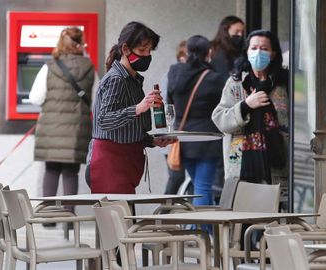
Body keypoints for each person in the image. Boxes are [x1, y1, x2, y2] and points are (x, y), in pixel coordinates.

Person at [88, 21, 175, 194]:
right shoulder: (116, 79)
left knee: (123, 217)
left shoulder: (133, 80)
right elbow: (104, 120)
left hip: (125, 160)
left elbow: (126, 129)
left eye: (150, 50)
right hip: (110, 162)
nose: (147, 55)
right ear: (126, 49)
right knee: (116, 218)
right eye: (142, 50)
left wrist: (151, 141)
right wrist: (139, 108)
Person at [212, 29, 289, 207]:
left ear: (273, 53)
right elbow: (219, 119)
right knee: (241, 225)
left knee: (273, 222)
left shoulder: (285, 84)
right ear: (247, 51)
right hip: (241, 167)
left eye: (264, 48)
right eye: (254, 48)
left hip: (277, 165)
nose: (258, 52)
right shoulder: (236, 83)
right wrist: (246, 105)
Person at [29, 27, 96, 226]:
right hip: (77, 128)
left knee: (51, 170)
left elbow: (35, 98)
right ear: (80, 44)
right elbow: (96, 100)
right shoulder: (90, 67)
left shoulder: (50, 66)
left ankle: (48, 218)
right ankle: (69, 218)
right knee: (71, 172)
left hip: (51, 128)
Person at [167, 35, 224, 208]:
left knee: (196, 184)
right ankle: (199, 230)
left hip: (183, 137)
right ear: (209, 52)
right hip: (207, 139)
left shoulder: (175, 71)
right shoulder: (214, 78)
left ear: (187, 51)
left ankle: (198, 228)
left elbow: (169, 101)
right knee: (203, 187)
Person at [160, 40, 187, 195]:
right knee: (176, 177)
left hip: (185, 135)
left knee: (184, 179)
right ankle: (163, 213)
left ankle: (178, 215)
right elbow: (165, 106)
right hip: (172, 135)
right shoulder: (171, 75)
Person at [210, 15, 245, 83]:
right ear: (225, 31)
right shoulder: (219, 51)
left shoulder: (239, 50)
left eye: (242, 32)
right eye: (236, 32)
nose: (240, 35)